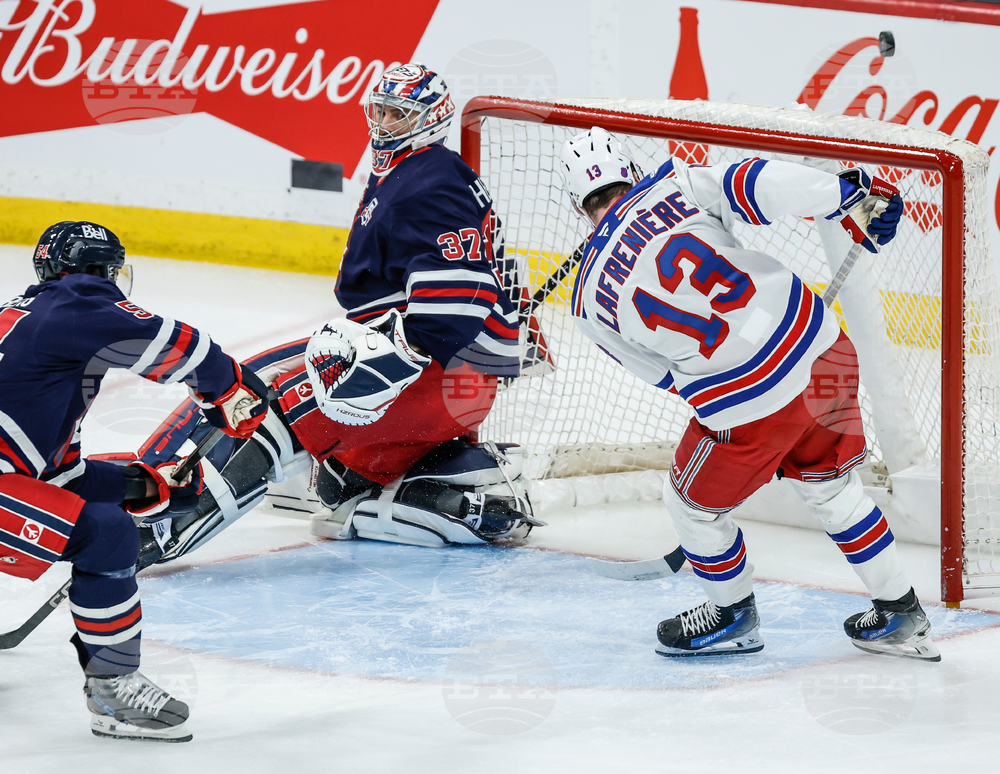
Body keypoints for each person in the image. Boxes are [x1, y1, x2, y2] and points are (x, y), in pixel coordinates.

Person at [130, 63, 538, 568]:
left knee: (274, 413)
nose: (384, 123)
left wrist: (399, 356)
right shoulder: (415, 170)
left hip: (432, 374)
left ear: (431, 118)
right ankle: (413, 489)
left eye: (399, 114)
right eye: (380, 110)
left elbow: (457, 299)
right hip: (440, 372)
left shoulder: (431, 180)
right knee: (266, 396)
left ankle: (160, 535)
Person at [558, 127, 938, 661]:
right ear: (631, 169)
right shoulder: (676, 184)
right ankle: (900, 611)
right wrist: (846, 193)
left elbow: (664, 377)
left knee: (689, 504)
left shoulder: (585, 305)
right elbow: (758, 181)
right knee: (832, 490)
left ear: (578, 203)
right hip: (825, 348)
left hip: (749, 403)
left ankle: (732, 616)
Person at [0, 221, 269, 741]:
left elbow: (55, 474)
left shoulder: (30, 323)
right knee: (105, 535)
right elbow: (184, 347)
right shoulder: (76, 303)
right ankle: (112, 690)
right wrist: (228, 391)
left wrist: (141, 487)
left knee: (100, 517)